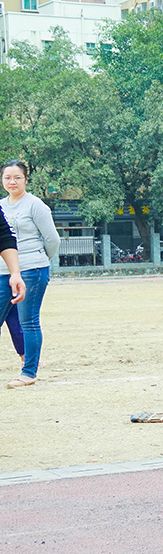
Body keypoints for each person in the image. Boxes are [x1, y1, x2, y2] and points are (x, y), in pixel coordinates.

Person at [0, 160, 52, 388]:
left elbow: (52, 239)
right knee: (10, 320)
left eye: (17, 177)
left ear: (25, 180)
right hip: (4, 271)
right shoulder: (1, 205)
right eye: (7, 178)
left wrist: (39, 260)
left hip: (31, 269)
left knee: (28, 320)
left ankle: (29, 372)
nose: (12, 182)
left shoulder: (36, 205)